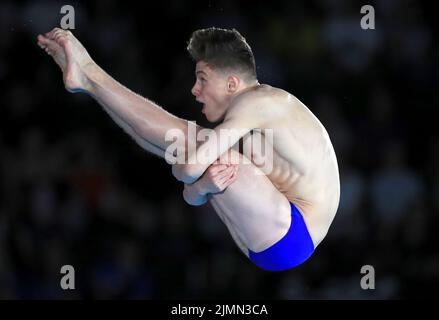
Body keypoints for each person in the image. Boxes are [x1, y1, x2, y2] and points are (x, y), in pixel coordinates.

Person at [37, 27, 340, 271]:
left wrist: (189, 174)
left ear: (232, 83)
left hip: (291, 232)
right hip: (276, 239)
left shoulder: (260, 104)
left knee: (188, 140)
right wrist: (197, 182)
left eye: (202, 79)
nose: (195, 90)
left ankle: (89, 71)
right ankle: (88, 83)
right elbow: (192, 194)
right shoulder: (255, 123)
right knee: (182, 143)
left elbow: (189, 169)